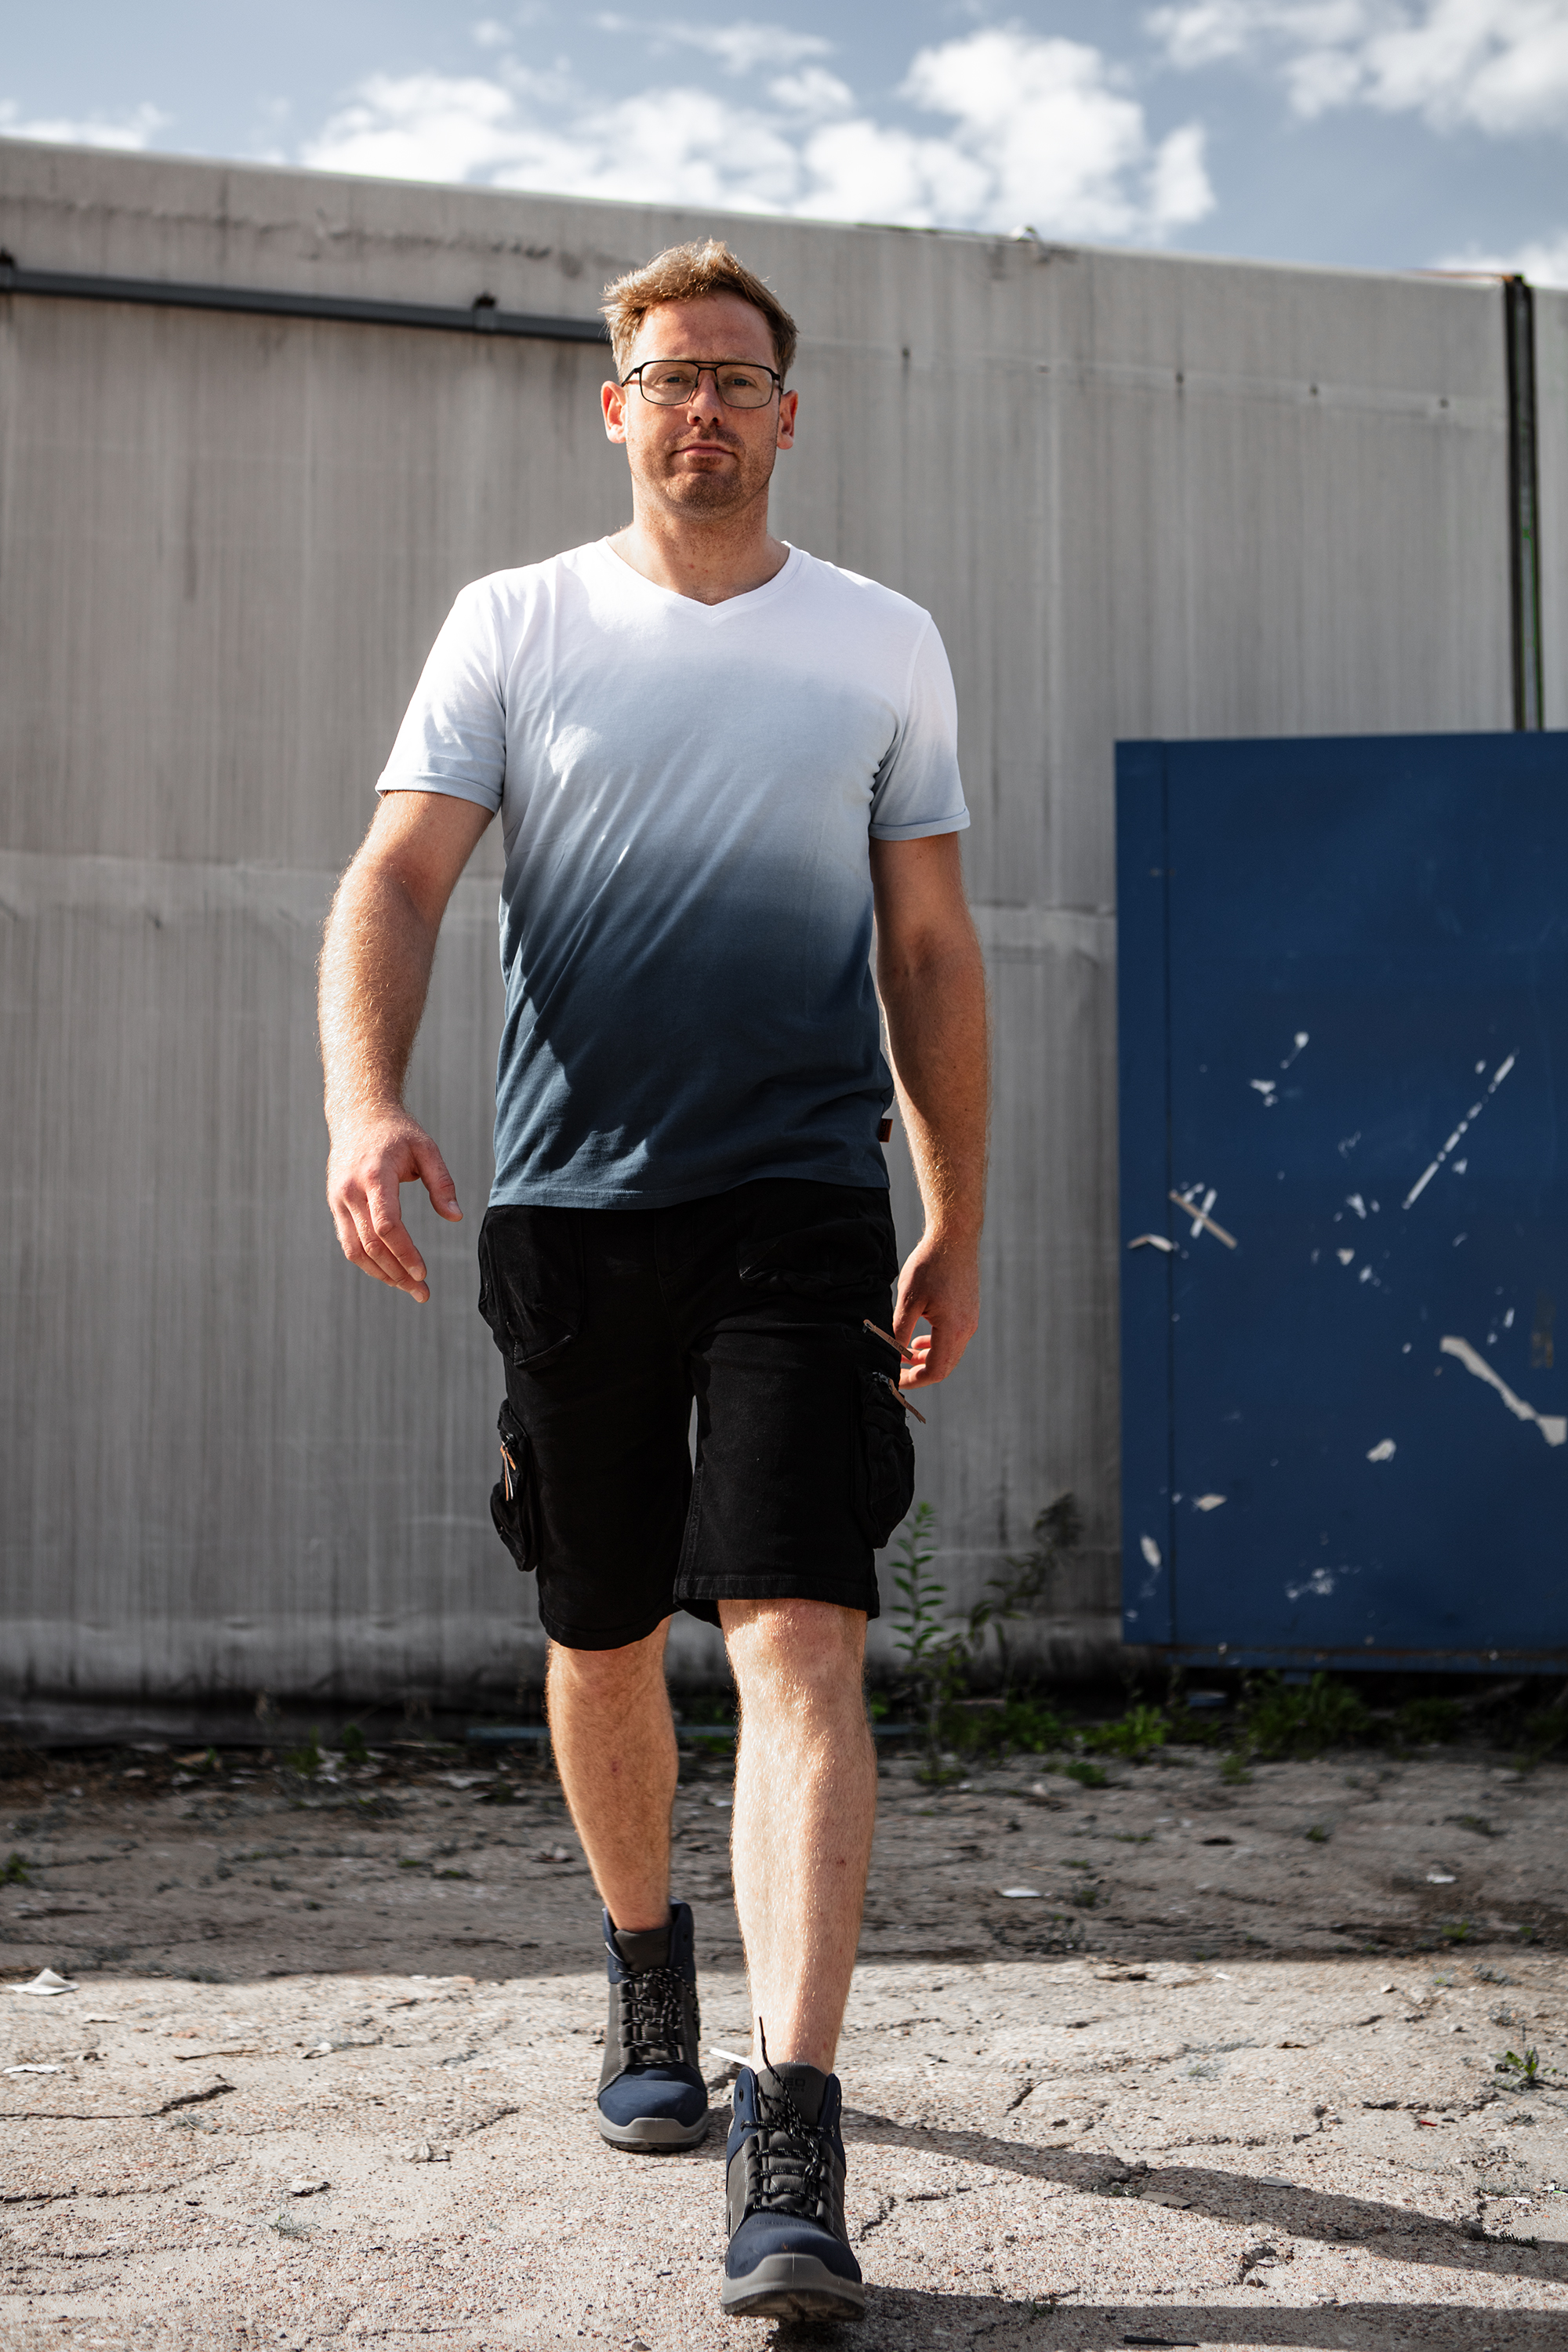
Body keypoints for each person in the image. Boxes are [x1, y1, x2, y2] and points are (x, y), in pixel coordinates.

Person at [318, 238, 988, 2324]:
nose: (704, 406)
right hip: (572, 1209)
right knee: (601, 1626)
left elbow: (931, 948)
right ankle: (643, 1968)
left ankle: (795, 2131)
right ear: (615, 408)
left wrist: (956, 1205)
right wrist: (364, 1102)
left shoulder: (881, 641)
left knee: (799, 1630)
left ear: (790, 413)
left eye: (738, 377)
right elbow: (399, 873)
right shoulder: (513, 623)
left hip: (801, 1206)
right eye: (670, 376)